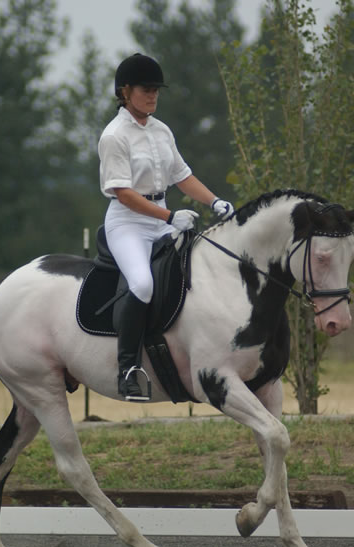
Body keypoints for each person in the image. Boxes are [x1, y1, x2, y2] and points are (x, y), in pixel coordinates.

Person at [98, 53, 234, 402]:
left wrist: (214, 201)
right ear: (125, 91)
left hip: (160, 216)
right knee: (142, 284)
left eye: (156, 89)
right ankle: (127, 369)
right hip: (128, 222)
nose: (153, 95)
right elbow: (125, 194)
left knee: (198, 271)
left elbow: (182, 176)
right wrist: (169, 218)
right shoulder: (114, 136)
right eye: (146, 89)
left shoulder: (161, 131)